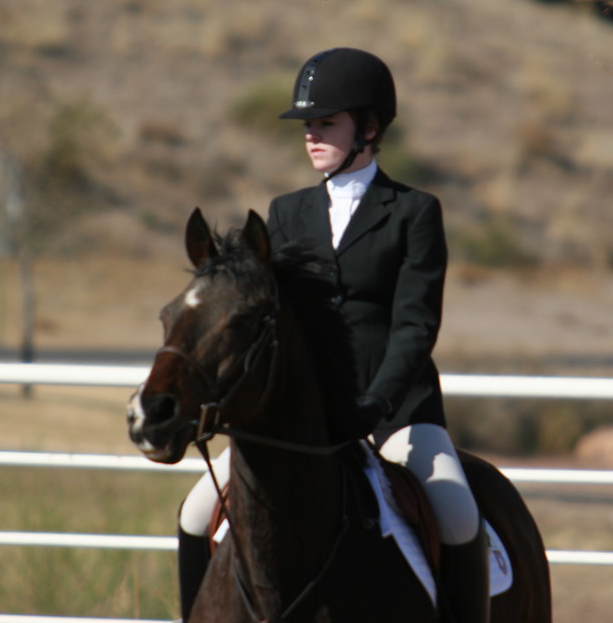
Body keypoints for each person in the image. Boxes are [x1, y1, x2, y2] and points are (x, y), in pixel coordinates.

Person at [176, 47, 488, 623]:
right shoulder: (286, 213)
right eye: (307, 126)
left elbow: (417, 325)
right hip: (303, 417)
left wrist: (374, 405)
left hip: (397, 413)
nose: (311, 136)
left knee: (458, 515)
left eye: (326, 123)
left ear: (368, 129)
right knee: (195, 517)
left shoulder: (414, 212)